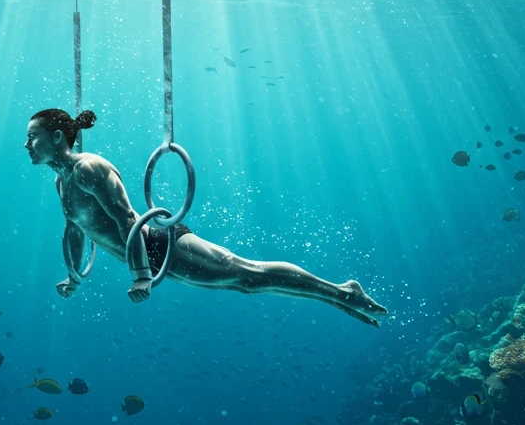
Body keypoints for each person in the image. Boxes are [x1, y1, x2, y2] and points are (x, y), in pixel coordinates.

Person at [25, 108, 387, 326]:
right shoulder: (62, 182)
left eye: (32, 137)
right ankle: (337, 296)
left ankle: (341, 292)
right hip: (149, 262)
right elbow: (74, 231)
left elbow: (125, 221)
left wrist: (141, 276)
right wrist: (73, 277)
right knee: (243, 284)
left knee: (248, 276)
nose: (26, 145)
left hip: (160, 247)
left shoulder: (90, 168)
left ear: (57, 137)